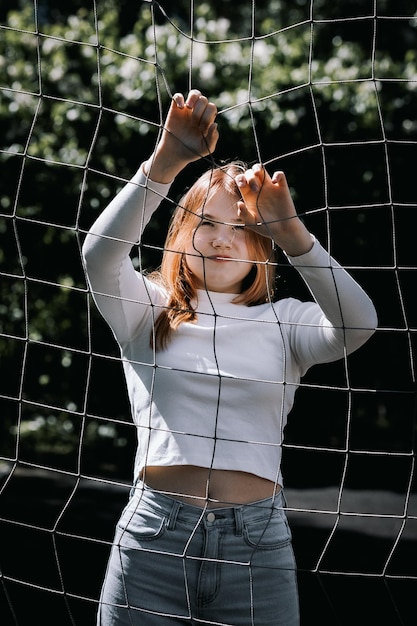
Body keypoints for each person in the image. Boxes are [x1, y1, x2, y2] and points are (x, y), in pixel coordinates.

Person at [82, 90, 377, 626]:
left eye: (241, 228)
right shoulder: (149, 310)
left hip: (257, 546)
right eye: (208, 224)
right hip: (153, 539)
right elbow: (98, 255)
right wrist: (166, 161)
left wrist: (294, 235)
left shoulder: (286, 322)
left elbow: (360, 324)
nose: (223, 241)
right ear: (182, 233)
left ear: (261, 245)